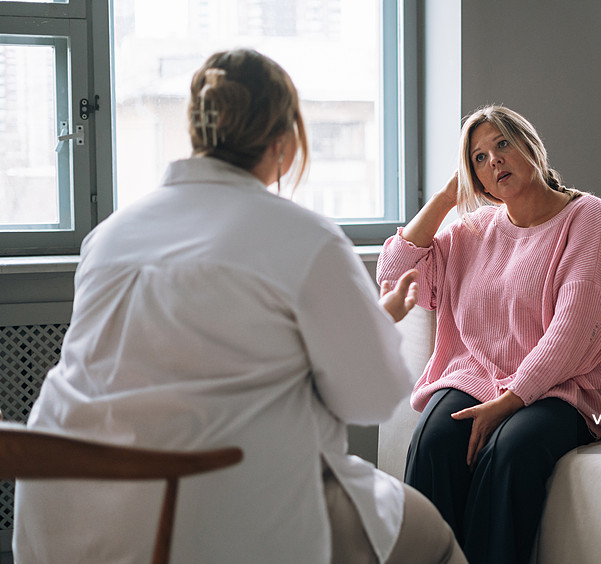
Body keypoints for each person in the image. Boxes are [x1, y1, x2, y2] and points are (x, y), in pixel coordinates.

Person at [13, 49, 466, 564]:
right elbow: (371, 399)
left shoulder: (109, 236)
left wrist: (369, 320)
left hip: (65, 514)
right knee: (434, 540)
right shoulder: (304, 236)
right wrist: (367, 331)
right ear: (283, 141)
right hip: (210, 513)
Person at [376, 105, 601, 564]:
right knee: (436, 440)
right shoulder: (474, 229)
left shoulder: (590, 218)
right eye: (478, 158)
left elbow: (573, 332)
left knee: (511, 448)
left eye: (502, 144)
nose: (493, 161)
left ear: (530, 145)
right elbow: (395, 273)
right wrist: (444, 199)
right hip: (479, 375)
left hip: (572, 388)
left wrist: (511, 399)